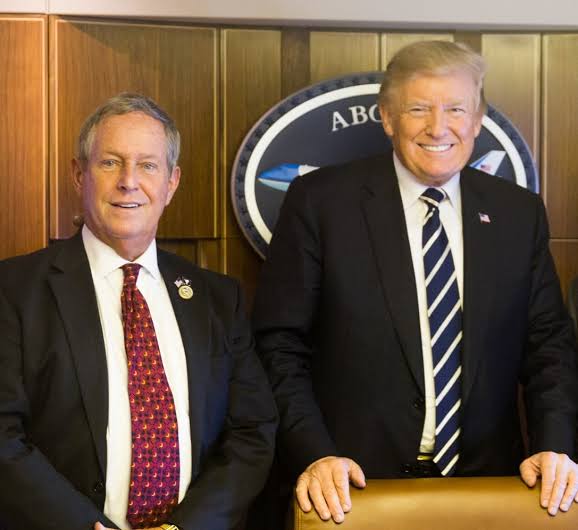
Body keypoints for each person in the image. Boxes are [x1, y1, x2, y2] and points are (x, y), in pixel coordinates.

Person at [252, 40, 578, 524]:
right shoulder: (320, 203)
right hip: (350, 491)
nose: (438, 127)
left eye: (456, 109)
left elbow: (548, 344)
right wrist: (315, 454)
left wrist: (554, 445)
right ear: (387, 117)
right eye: (419, 109)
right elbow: (279, 345)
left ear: (478, 119)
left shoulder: (518, 213)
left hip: (489, 492)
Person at [0, 93, 277, 530]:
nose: (129, 181)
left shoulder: (218, 299)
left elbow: (252, 431)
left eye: (148, 165)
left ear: (172, 182)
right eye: (110, 163)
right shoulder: (14, 289)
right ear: (79, 174)